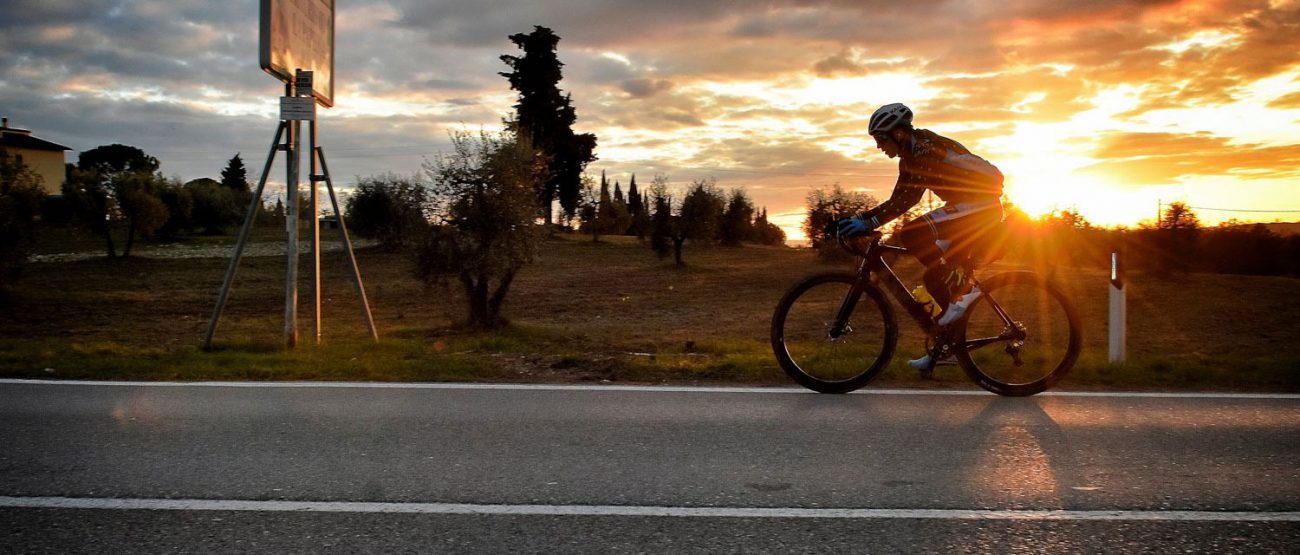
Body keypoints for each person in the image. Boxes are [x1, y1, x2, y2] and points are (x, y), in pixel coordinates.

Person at [834, 103, 1005, 370]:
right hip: (968, 208)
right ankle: (945, 348)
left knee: (912, 234)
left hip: (980, 204)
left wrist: (870, 223)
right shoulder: (910, 157)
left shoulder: (925, 147)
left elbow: (907, 202)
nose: (879, 146)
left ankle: (966, 292)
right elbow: (899, 199)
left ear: (899, 133)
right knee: (932, 276)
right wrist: (862, 219)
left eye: (881, 138)